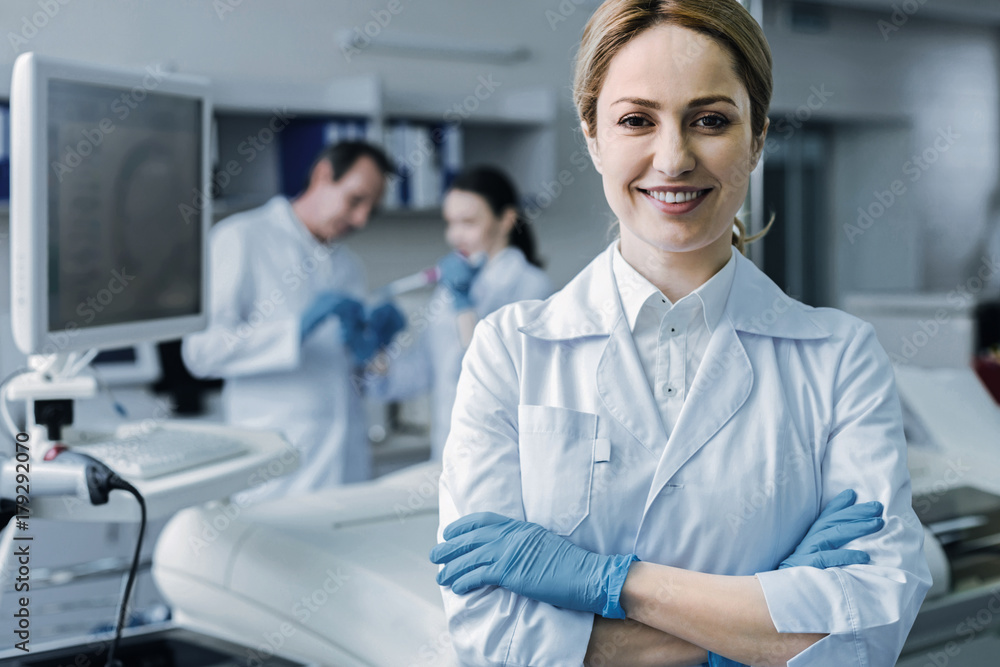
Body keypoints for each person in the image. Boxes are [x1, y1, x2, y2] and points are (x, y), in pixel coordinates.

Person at [430, 2, 931, 666]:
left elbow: (869, 623)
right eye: (637, 120)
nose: (673, 157)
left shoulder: (840, 358)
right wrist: (763, 616)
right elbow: (492, 639)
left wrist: (609, 583)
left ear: (757, 138)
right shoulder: (510, 350)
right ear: (593, 136)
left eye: (712, 120)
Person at [182, 141, 403, 499]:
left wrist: (374, 349)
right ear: (322, 175)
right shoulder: (242, 238)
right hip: (277, 469)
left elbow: (351, 375)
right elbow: (200, 353)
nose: (361, 219)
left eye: (371, 210)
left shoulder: (348, 266)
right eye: (355, 200)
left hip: (347, 463)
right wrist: (295, 331)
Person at [367, 166, 553, 459]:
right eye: (450, 223)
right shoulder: (450, 289)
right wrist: (375, 356)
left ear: (506, 220)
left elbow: (493, 374)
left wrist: (464, 305)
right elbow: (424, 372)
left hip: (502, 453)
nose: (455, 236)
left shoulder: (532, 287)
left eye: (468, 222)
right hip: (447, 450)